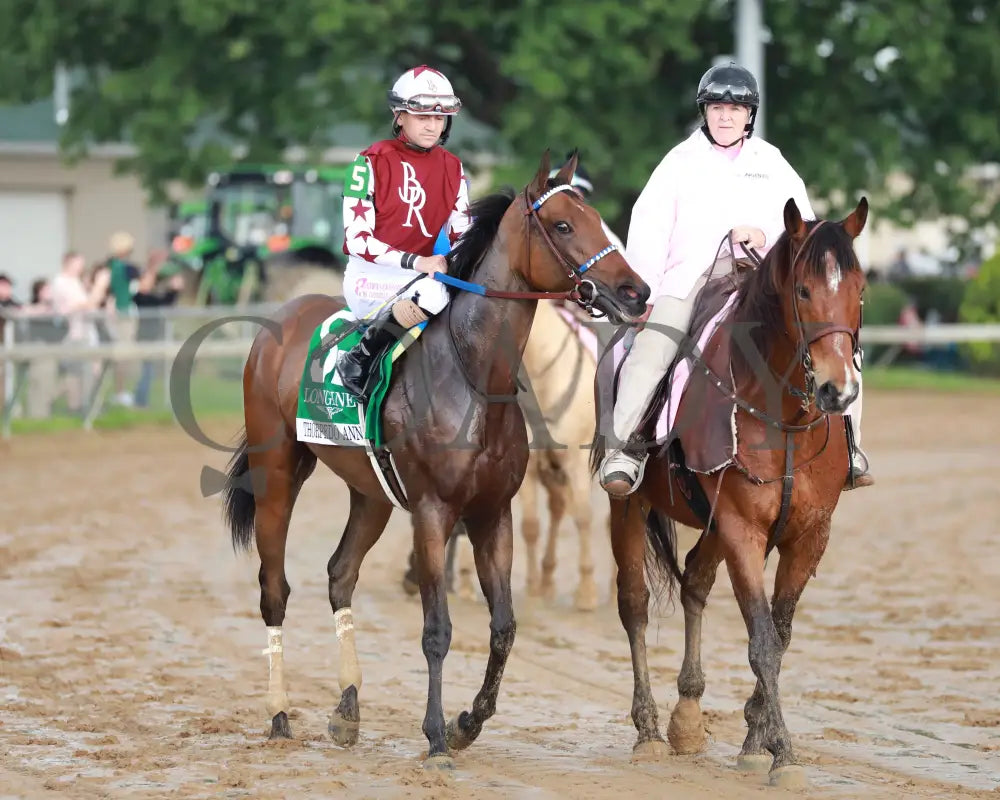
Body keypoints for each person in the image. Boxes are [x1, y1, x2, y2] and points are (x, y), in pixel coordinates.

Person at [599, 61, 873, 496]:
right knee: (655, 343)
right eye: (716, 107)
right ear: (704, 112)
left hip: (762, 276)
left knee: (837, 343)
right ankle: (626, 447)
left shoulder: (773, 162)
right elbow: (649, 227)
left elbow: (804, 232)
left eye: (735, 108)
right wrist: (646, 291)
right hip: (693, 276)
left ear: (750, 115)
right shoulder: (678, 163)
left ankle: (851, 447)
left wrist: (765, 234)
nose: (725, 116)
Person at [336, 65, 472, 401]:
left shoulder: (453, 168)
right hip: (371, 279)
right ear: (400, 117)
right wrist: (419, 262)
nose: (431, 125)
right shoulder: (368, 162)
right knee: (434, 296)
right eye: (422, 116)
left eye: (439, 119)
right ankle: (359, 359)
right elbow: (357, 241)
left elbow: (462, 234)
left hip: (422, 276)